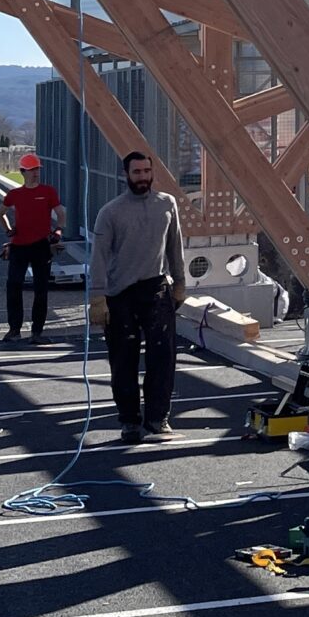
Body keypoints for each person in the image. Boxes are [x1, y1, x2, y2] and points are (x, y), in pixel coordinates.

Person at [89, 150, 185, 443]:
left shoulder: (167, 204)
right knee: (123, 359)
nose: (143, 177)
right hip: (121, 293)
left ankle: (157, 419)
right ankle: (129, 421)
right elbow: (99, 257)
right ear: (126, 175)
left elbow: (175, 245)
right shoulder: (111, 212)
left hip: (155, 288)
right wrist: (97, 298)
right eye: (137, 172)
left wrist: (180, 283)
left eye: (146, 171)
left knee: (163, 357)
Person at [0, 151, 64, 344]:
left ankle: (37, 333)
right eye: (32, 170)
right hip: (19, 246)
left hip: (41, 245)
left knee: (41, 289)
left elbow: (61, 214)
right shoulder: (15, 194)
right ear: (22, 172)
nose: (35, 173)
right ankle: (14, 329)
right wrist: (8, 231)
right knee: (14, 286)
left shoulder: (48, 192)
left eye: (37, 169)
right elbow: (0, 213)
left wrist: (58, 231)